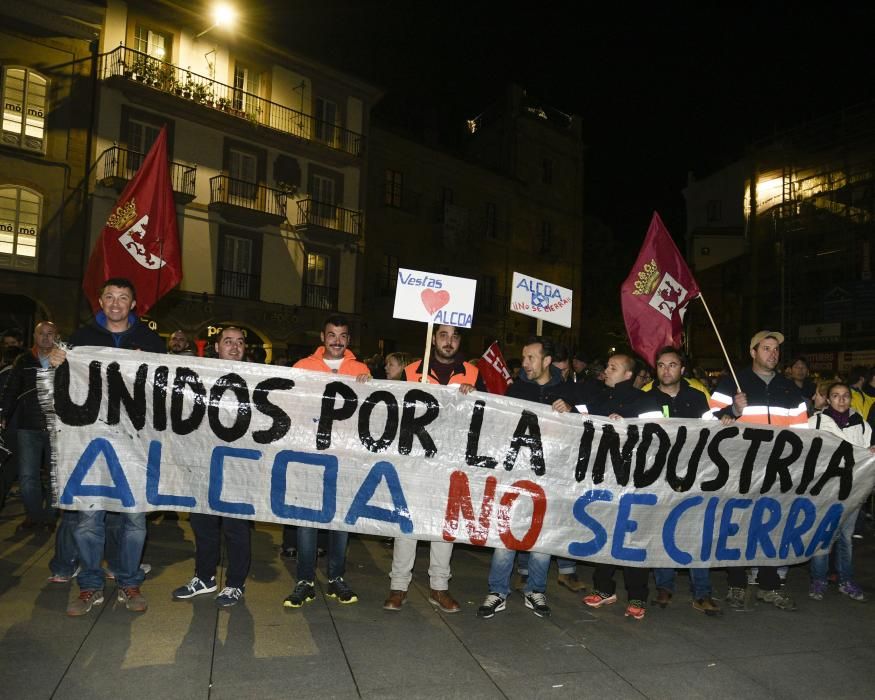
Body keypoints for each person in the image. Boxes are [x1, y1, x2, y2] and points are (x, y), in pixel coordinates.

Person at [49, 278, 165, 616]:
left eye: (123, 298)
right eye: (110, 297)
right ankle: (89, 586)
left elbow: (167, 393)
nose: (116, 304)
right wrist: (53, 364)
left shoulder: (151, 341)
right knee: (88, 518)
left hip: (135, 445)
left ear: (133, 304)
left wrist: (152, 366)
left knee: (134, 519)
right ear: (100, 301)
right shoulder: (81, 340)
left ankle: (129, 581)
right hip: (91, 444)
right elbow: (61, 389)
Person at [477, 336, 576, 620]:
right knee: (506, 533)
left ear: (547, 360)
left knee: (542, 537)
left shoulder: (569, 392)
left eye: (531, 357)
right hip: (517, 475)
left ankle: (536, 590)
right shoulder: (516, 389)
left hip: (551, 477)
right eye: (523, 357)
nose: (525, 363)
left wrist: (571, 413)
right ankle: (498, 590)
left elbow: (588, 426)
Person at [384, 325, 480, 614]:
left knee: (445, 524)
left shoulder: (472, 373)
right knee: (407, 522)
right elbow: (395, 408)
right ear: (433, 338)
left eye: (454, 337)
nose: (448, 342)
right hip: (415, 458)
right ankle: (398, 586)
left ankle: (439, 586)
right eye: (442, 335)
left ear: (459, 341)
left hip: (451, 460)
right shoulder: (413, 369)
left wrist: (474, 395)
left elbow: (487, 413)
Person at [709, 330, 807, 612]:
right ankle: (737, 583)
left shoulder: (790, 389)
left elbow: (802, 432)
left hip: (777, 470)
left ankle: (768, 585)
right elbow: (705, 422)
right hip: (739, 469)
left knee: (771, 527)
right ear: (753, 352)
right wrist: (732, 409)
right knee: (738, 525)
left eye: (776, 349)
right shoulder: (732, 383)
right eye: (766, 348)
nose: (772, 354)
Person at [283, 315, 370, 609]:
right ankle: (304, 580)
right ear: (322, 337)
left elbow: (370, 413)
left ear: (348, 339)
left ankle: (336, 577)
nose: (336, 340)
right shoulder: (302, 367)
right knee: (308, 520)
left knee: (340, 520)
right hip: (310, 456)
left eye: (342, 335)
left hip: (345, 458)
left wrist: (367, 388)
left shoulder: (361, 370)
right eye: (331, 334)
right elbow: (290, 406)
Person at [172, 327, 253, 608]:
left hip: (238, 466)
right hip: (203, 462)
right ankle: (204, 577)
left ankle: (234, 583)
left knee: (236, 527)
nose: (234, 347)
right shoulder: (200, 375)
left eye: (239, 342)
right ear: (215, 347)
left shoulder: (256, 380)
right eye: (227, 342)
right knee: (203, 524)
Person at [644, 347, 728, 616]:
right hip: (659, 477)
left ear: (682, 369)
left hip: (695, 475)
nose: (666, 370)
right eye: (661, 365)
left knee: (696, 532)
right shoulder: (644, 398)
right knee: (662, 531)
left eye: (672, 365)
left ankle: (701, 592)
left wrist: (726, 419)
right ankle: (664, 586)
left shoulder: (696, 397)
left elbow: (711, 432)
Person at [581, 352, 653, 620]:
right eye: (607, 366)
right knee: (604, 533)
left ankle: (637, 594)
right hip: (603, 479)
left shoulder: (644, 401)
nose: (607, 370)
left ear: (628, 375)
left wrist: (626, 428)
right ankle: (603, 588)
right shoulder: (598, 399)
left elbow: (658, 436)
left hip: (634, 481)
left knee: (632, 536)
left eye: (614, 367)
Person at [808, 381, 874, 602]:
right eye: (836, 396)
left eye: (845, 395)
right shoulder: (815, 422)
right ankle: (819, 579)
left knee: (845, 538)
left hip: (851, 491)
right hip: (823, 491)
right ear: (828, 399)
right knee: (822, 537)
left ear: (850, 398)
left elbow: (866, 460)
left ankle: (846, 580)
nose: (841, 400)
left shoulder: (862, 426)